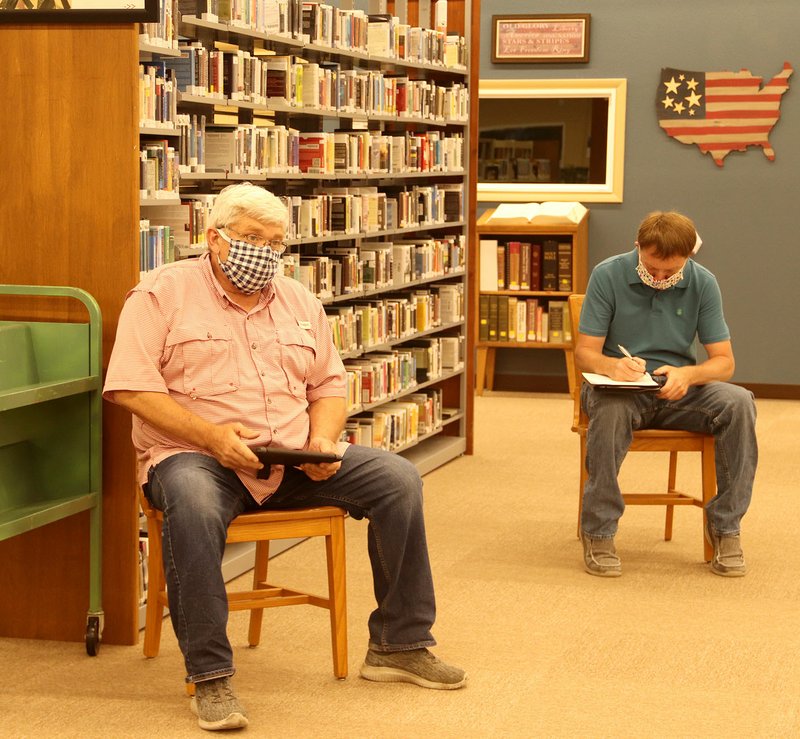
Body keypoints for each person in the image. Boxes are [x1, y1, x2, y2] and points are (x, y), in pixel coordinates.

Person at [103, 183, 466, 732]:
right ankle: (210, 676)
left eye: (275, 243)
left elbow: (329, 384)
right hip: (196, 456)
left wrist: (322, 440)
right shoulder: (159, 294)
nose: (264, 253)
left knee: (398, 477)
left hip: (292, 456)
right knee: (194, 503)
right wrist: (210, 435)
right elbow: (129, 388)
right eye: (251, 239)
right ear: (216, 239)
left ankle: (398, 643)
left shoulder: (298, 299)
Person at [574, 210, 757, 579]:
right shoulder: (607, 274)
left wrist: (689, 374)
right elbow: (584, 352)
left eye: (670, 272)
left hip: (678, 391)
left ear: (689, 257)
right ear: (638, 247)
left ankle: (725, 528)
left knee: (739, 403)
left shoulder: (703, 283)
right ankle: (599, 531)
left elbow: (724, 363)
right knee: (609, 412)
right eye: (651, 268)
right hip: (619, 390)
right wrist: (613, 367)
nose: (659, 278)